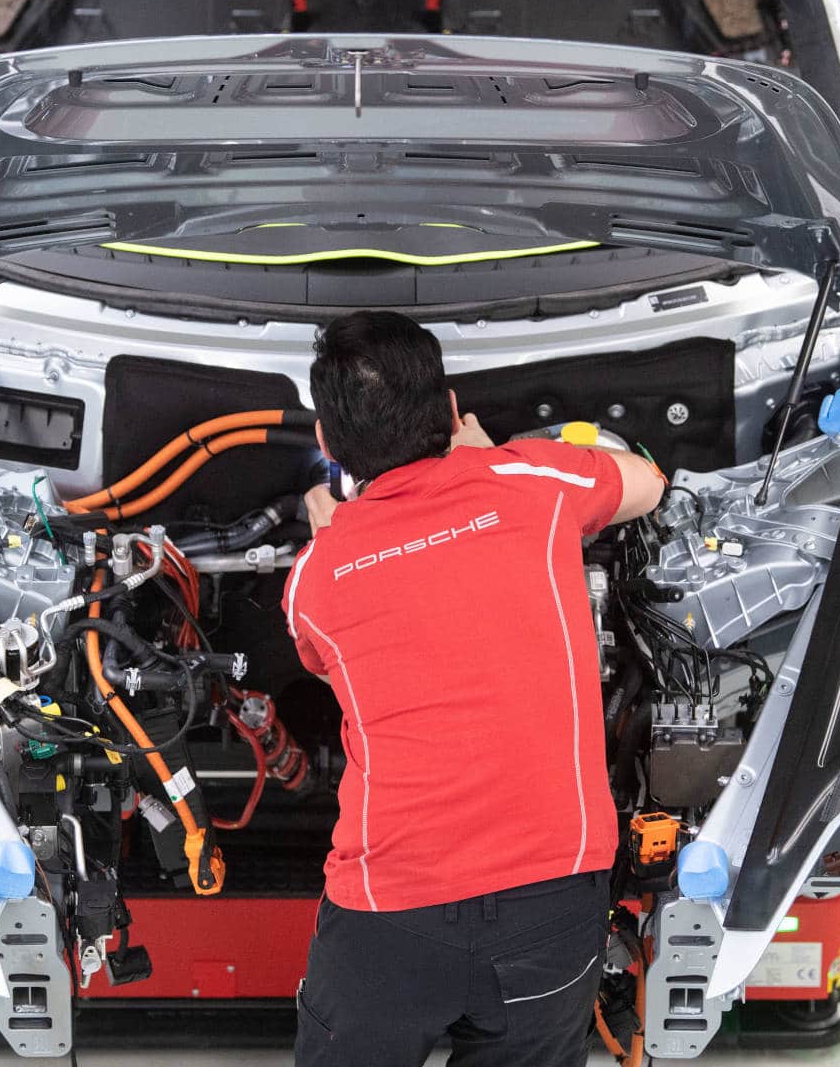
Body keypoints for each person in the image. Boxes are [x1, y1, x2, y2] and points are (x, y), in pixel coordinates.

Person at [283, 311, 666, 1066]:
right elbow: (647, 483)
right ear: (452, 410)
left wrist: (336, 532)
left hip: (390, 916)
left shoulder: (315, 579)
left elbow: (320, 659)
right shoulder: (536, 479)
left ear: (328, 445)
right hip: (553, 902)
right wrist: (497, 462)